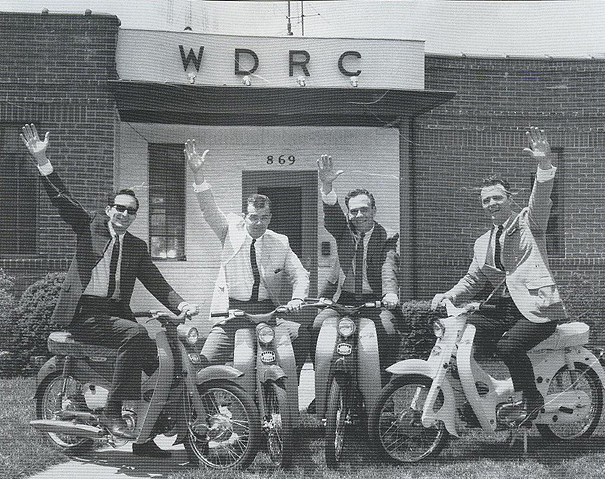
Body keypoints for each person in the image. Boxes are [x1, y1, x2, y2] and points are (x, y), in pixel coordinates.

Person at [20, 124, 198, 457]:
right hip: (84, 314)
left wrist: (182, 302)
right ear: (108, 209)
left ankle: (144, 438)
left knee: (162, 361)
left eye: (131, 210)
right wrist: (42, 158)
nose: (125, 214)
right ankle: (113, 410)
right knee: (135, 335)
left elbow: (156, 281)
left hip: (114, 315)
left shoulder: (136, 247)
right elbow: (62, 199)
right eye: (119, 208)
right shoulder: (88, 227)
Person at [431, 126, 566, 424]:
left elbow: (540, 199)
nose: (491, 204)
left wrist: (543, 164)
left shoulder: (529, 223)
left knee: (508, 346)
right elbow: (473, 280)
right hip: (506, 309)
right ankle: (474, 397)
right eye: (486, 200)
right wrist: (448, 295)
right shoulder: (483, 242)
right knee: (458, 334)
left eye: (497, 197)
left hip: (538, 308)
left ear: (509, 198)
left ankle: (531, 398)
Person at [184, 139, 310, 375]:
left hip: (268, 313)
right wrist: (198, 174)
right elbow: (209, 209)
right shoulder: (229, 230)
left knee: (301, 335)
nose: (259, 222)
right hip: (232, 313)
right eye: (254, 217)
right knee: (203, 363)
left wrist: (297, 298)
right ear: (245, 216)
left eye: (264, 217)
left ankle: (286, 384)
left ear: (270, 217)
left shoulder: (279, 242)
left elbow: (299, 273)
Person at [312, 154, 401, 385]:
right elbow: (332, 216)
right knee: (317, 326)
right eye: (353, 211)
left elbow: (387, 266)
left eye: (364, 210)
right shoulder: (343, 230)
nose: (359, 215)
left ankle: (384, 390)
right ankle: (323, 385)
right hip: (344, 300)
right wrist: (327, 185)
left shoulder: (386, 236)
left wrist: (390, 294)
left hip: (375, 302)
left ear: (374, 210)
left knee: (389, 333)